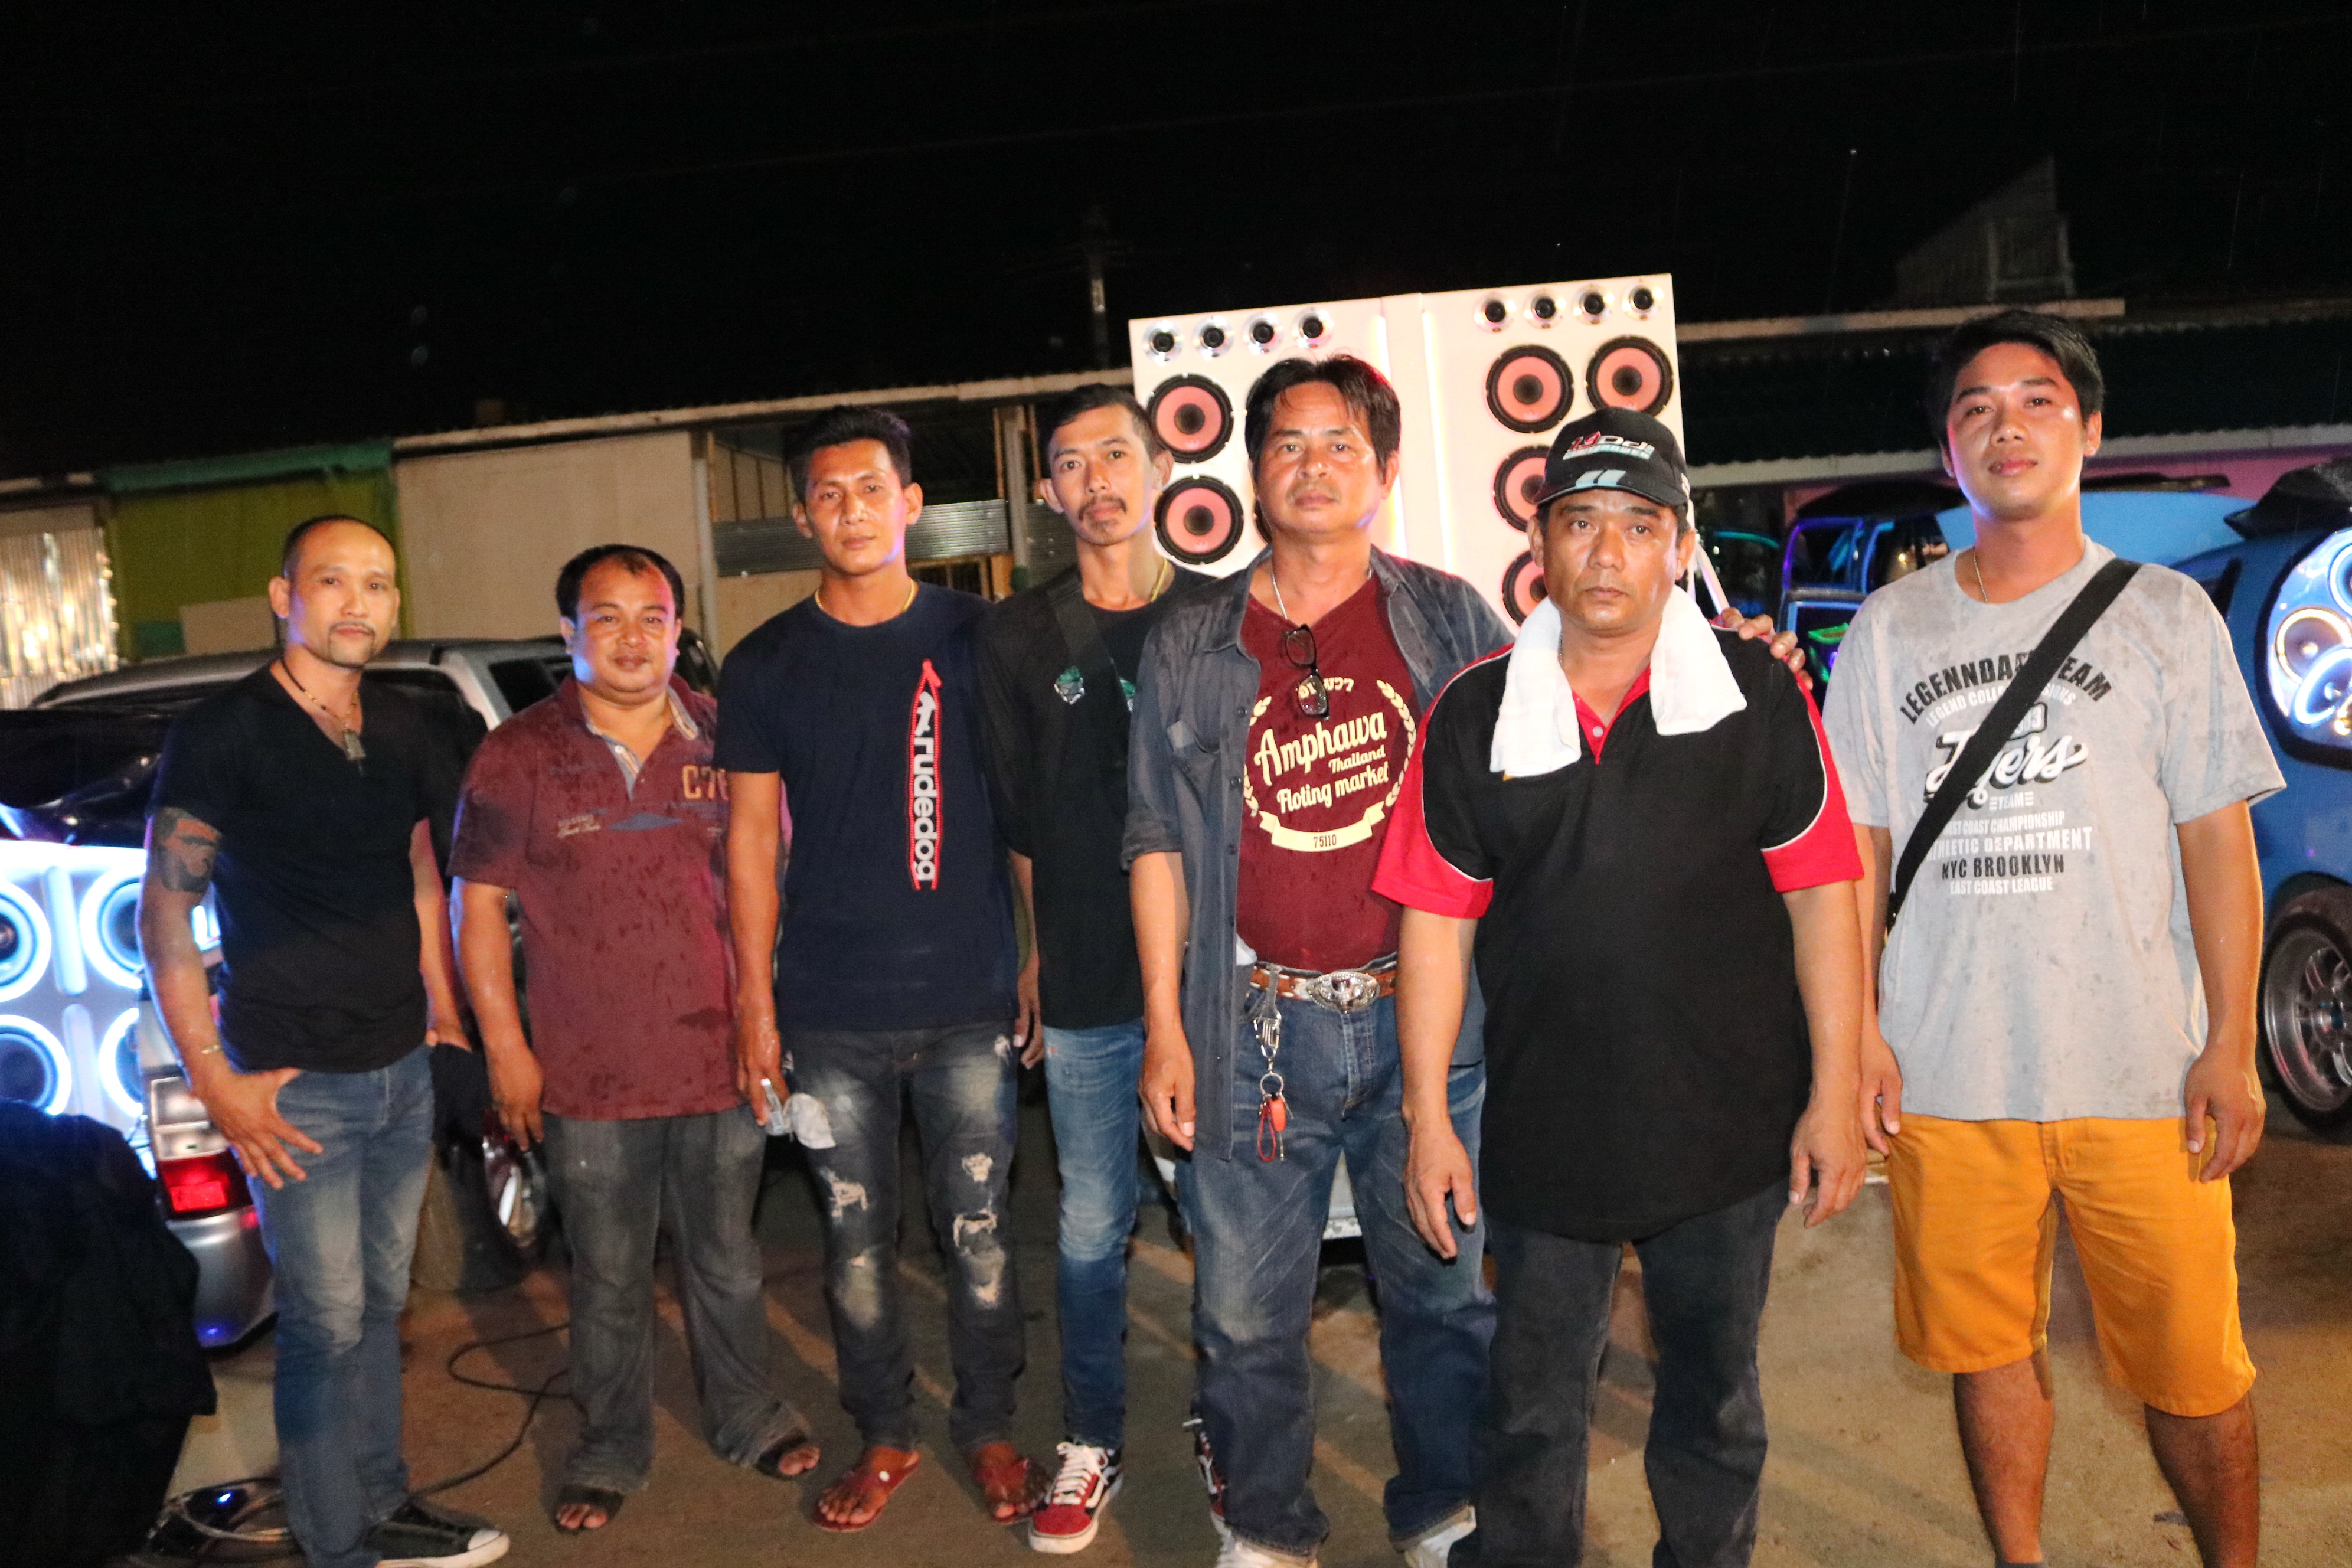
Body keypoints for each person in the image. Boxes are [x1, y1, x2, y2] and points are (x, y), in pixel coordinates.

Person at [1822, 310, 2281, 1568]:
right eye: (1975, 408)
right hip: (1950, 1067)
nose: (2006, 425)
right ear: (1949, 452)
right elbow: (1856, 852)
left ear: (2090, 429)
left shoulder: (2166, 616)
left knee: (2194, 1367)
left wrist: (2230, 1042)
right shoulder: (1889, 631)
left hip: (2140, 1067)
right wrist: (1858, 1036)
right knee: (1984, 1351)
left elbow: (2217, 843)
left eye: (2037, 400)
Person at [1376, 408, 1868, 1567]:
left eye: (1640, 525)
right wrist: (1428, 1116)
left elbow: (1822, 897)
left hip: (1728, 1122)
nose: (1608, 551)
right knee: (1532, 1407)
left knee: (1714, 1398)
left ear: (1681, 547)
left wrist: (1835, 1091)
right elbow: (1435, 924)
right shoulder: (1474, 712)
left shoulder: (1755, 692)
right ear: (1538, 544)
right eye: (1581, 522)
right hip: (1547, 1125)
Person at [139, 515, 508, 1568]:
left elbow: (420, 869)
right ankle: (334, 1541)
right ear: (283, 595)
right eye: (334, 581)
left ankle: (381, 1504)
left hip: (398, 1068)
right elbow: (165, 915)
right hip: (291, 1084)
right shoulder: (226, 732)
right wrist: (215, 1080)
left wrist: (444, 1014)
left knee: (380, 1309)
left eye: (378, 585)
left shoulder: (400, 724)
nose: (359, 603)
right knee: (323, 1323)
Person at [717, 406, 1044, 1534]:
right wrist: (755, 1006)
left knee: (980, 1236)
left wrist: (1037, 953)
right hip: (827, 1011)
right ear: (803, 516)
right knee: (856, 1248)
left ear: (911, 504)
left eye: (872, 489)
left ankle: (990, 1426)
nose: (852, 511)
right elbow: (749, 844)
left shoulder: (981, 637)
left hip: (967, 998)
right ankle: (887, 1433)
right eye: (829, 494)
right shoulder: (765, 664)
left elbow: (1022, 809)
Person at [448, 544, 819, 1536]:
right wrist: (507, 1048)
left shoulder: (729, 736)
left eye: (651, 618)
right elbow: (474, 910)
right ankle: (611, 1444)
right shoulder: (517, 754)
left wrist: (770, 1022)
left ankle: (747, 1413)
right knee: (609, 1275)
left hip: (723, 1058)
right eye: (604, 618)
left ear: (678, 630)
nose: (631, 639)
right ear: (567, 632)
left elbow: (778, 879)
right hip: (587, 1073)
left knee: (727, 1257)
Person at [975, 384, 1211, 1552]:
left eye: (1117, 454)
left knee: (1224, 1219)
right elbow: (1018, 818)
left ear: (1162, 468)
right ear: (1049, 491)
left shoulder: (1222, 612)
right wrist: (1035, 951)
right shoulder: (1013, 634)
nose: (1097, 480)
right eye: (1072, 464)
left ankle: (1234, 1422)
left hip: (1212, 981)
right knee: (1087, 1225)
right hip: (1079, 977)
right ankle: (1091, 1435)